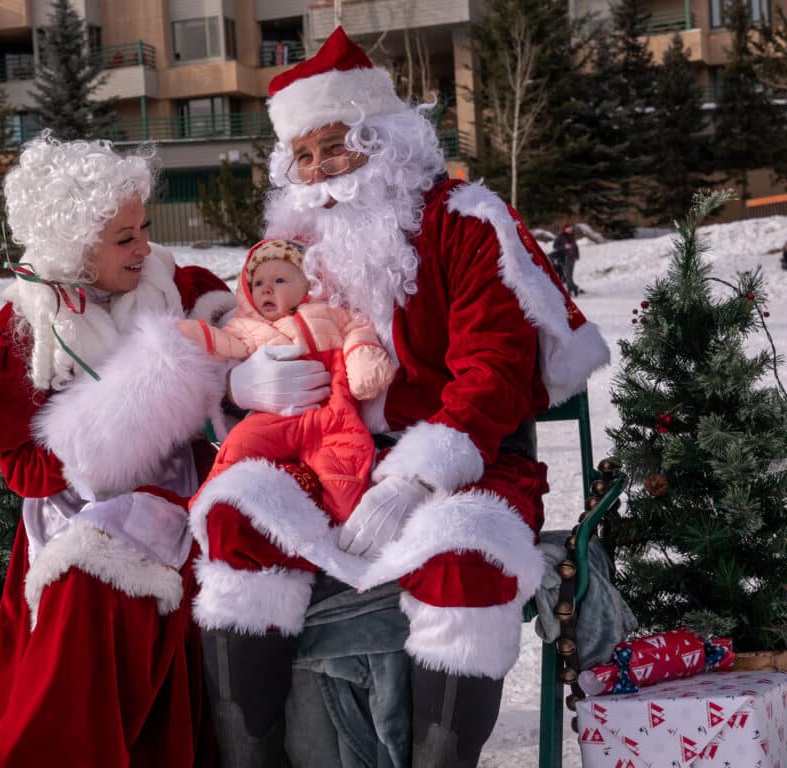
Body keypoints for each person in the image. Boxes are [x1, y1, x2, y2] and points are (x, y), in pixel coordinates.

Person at [189, 27, 611, 767]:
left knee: (463, 556)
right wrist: (238, 383)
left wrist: (417, 473)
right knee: (235, 515)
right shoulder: (291, 249)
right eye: (305, 156)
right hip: (319, 459)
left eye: (337, 145)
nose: (322, 171)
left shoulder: (466, 221)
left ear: (381, 139)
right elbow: (242, 329)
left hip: (465, 460)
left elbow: (496, 370)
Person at [0, 135, 234, 768]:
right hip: (76, 510)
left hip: (179, 491)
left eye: (144, 228)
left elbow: (253, 342)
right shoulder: (17, 335)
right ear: (74, 246)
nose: (145, 248)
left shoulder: (180, 286)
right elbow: (27, 472)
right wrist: (126, 416)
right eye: (123, 238)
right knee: (88, 585)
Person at [178, 238, 395, 525]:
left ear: (309, 284)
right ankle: (204, 507)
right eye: (257, 284)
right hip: (274, 418)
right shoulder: (246, 326)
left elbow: (358, 330)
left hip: (332, 413)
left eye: (279, 279)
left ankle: (349, 527)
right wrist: (191, 335)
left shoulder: (332, 314)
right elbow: (222, 344)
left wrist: (362, 358)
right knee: (240, 446)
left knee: (347, 465)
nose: (266, 288)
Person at [552, 222, 581, 296]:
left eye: (571, 228)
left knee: (570, 275)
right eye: (568, 228)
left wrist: (577, 255)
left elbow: (575, 246)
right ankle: (571, 290)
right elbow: (555, 246)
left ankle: (573, 289)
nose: (570, 229)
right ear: (565, 229)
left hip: (572, 257)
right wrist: (564, 246)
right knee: (567, 275)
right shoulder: (561, 236)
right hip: (565, 257)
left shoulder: (572, 236)